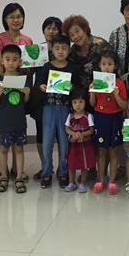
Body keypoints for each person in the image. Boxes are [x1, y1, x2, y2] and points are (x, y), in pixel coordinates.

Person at [36, 34, 82, 189]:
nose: (60, 51)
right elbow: (40, 84)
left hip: (65, 109)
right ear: (52, 50)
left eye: (64, 48)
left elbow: (77, 87)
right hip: (48, 108)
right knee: (47, 142)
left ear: (69, 50)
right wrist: (42, 87)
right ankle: (46, 172)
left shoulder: (72, 67)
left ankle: (63, 172)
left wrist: (72, 87)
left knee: (64, 141)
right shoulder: (47, 67)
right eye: (57, 48)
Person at [0, 45, 32, 194]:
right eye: (7, 59)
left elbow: (26, 101)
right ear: (2, 61)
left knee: (19, 149)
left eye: (15, 59)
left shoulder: (23, 79)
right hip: (4, 121)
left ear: (20, 62)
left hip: (19, 121)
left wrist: (27, 93)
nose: (11, 63)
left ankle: (19, 177)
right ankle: (3, 176)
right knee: (3, 149)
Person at [90, 49, 128, 195]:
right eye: (104, 64)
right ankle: (100, 180)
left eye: (110, 64)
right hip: (100, 118)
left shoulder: (119, 83)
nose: (106, 67)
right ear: (99, 66)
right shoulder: (96, 82)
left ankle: (112, 181)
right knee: (101, 152)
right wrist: (92, 92)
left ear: (115, 66)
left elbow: (123, 106)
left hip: (115, 119)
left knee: (113, 152)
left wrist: (116, 95)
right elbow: (92, 104)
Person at [30, 17, 63, 181]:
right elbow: (29, 72)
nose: (51, 31)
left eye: (55, 28)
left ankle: (62, 168)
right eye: (48, 28)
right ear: (43, 30)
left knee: (61, 135)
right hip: (41, 98)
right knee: (41, 135)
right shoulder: (37, 50)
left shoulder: (63, 50)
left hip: (60, 99)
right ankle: (45, 167)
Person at [64, 87, 96, 193]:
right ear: (71, 103)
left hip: (85, 145)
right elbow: (67, 128)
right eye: (75, 102)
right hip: (73, 145)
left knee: (84, 165)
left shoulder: (88, 116)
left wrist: (82, 134)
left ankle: (82, 183)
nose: (78, 105)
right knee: (71, 164)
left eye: (81, 102)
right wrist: (73, 133)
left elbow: (91, 130)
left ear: (85, 102)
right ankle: (71, 182)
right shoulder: (70, 116)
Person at [64, 14, 111, 85]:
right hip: (79, 90)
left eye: (77, 31)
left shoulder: (101, 45)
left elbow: (113, 66)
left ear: (85, 29)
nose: (76, 36)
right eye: (72, 35)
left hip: (102, 87)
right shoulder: (72, 52)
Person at [0, 3, 33, 74]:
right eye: (12, 17)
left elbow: (30, 66)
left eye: (19, 17)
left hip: (24, 79)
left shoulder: (28, 40)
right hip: (6, 79)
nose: (16, 20)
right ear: (5, 19)